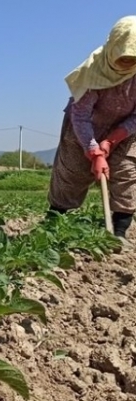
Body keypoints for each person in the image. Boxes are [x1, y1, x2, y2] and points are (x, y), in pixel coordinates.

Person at [48, 15, 136, 248]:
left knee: (126, 170)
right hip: (84, 124)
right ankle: (53, 227)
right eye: (123, 56)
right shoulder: (93, 70)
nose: (126, 63)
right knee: (72, 172)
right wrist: (95, 152)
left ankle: (119, 232)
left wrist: (110, 141)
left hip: (125, 128)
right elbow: (80, 115)